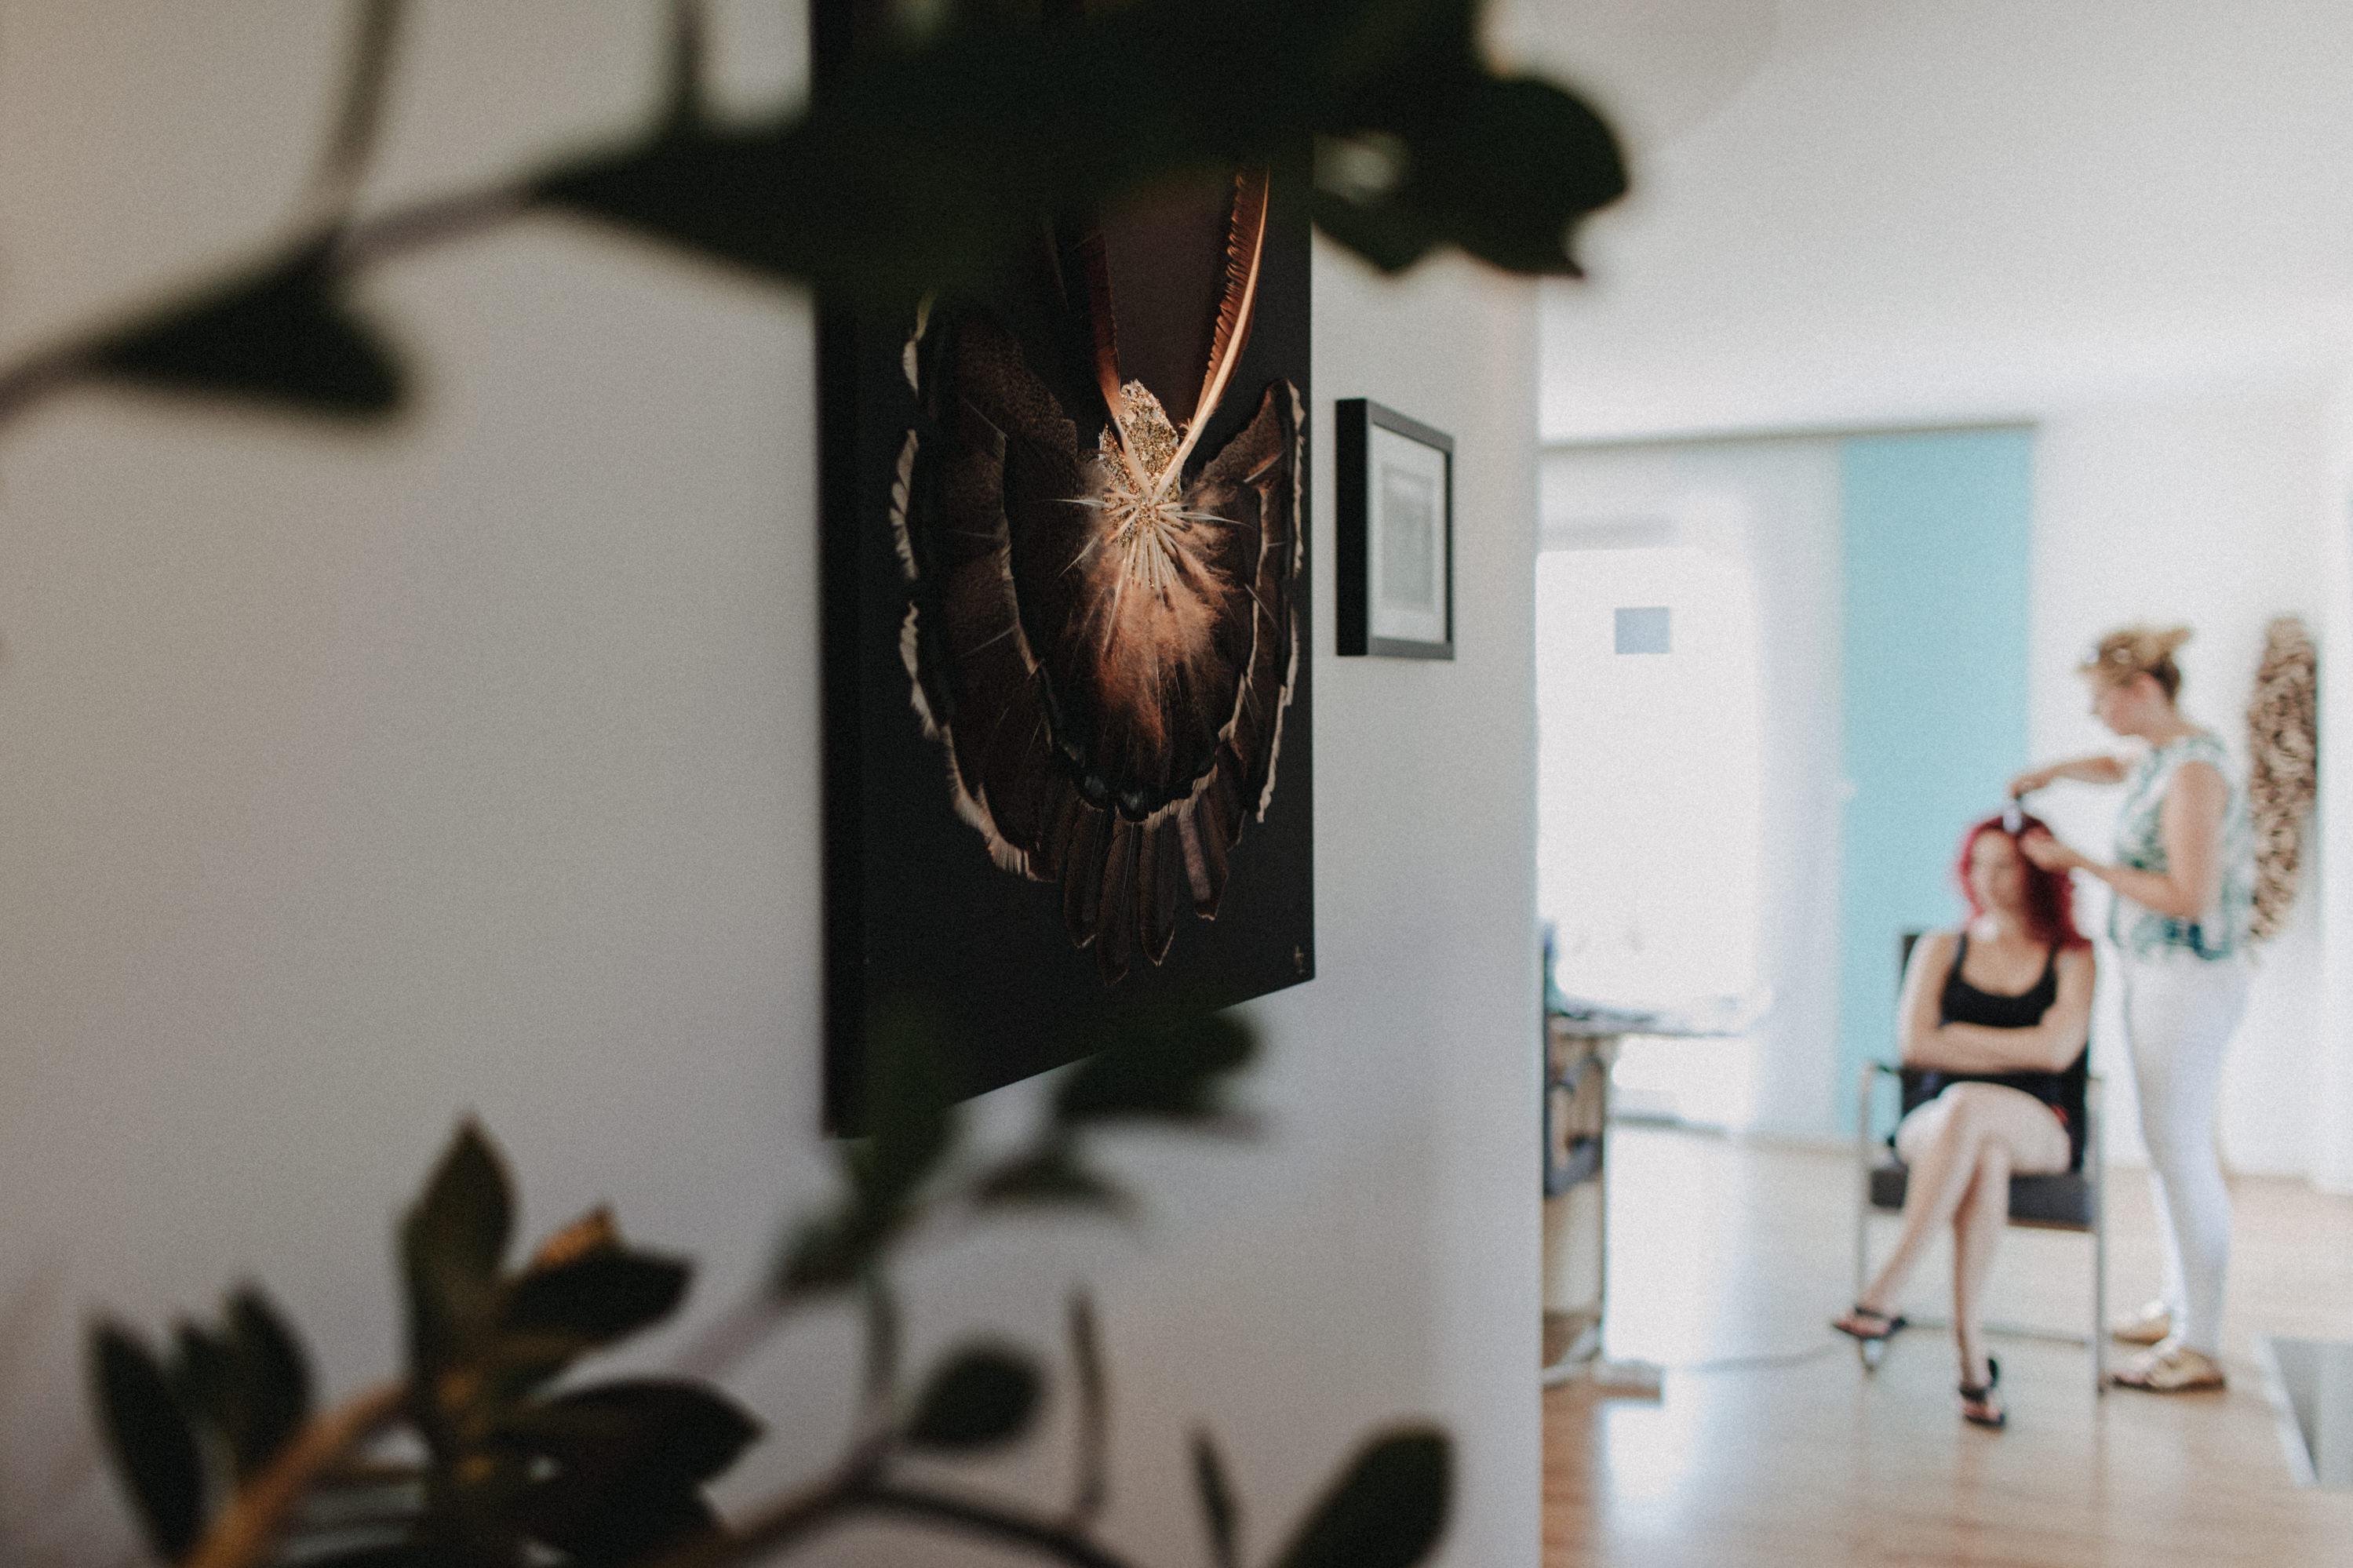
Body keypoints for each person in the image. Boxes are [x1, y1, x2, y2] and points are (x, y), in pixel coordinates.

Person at [2010, 625, 2253, 1393]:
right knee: (2168, 1147)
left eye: (2098, 701)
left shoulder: (2192, 774)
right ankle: (2180, 1306)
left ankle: (2199, 1342)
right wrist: (2047, 772)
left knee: (2179, 1152)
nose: (2095, 718)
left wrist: (2080, 863)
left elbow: (2187, 895)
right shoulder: (2160, 757)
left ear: (2140, 691)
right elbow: (2111, 763)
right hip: (2157, 975)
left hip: (2184, 976)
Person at [1834, 813, 2095, 1429]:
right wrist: (2017, 1042)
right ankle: (1971, 1360)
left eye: (2005, 865)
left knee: (1973, 1108)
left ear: (2036, 873)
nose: (1989, 879)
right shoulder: (1940, 949)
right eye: (1978, 864)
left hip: (2039, 1122)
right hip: (1939, 1120)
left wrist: (1959, 1039)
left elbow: (2056, 1054)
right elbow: (1913, 1045)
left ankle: (1885, 1291)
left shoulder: (2073, 957)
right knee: (1977, 1135)